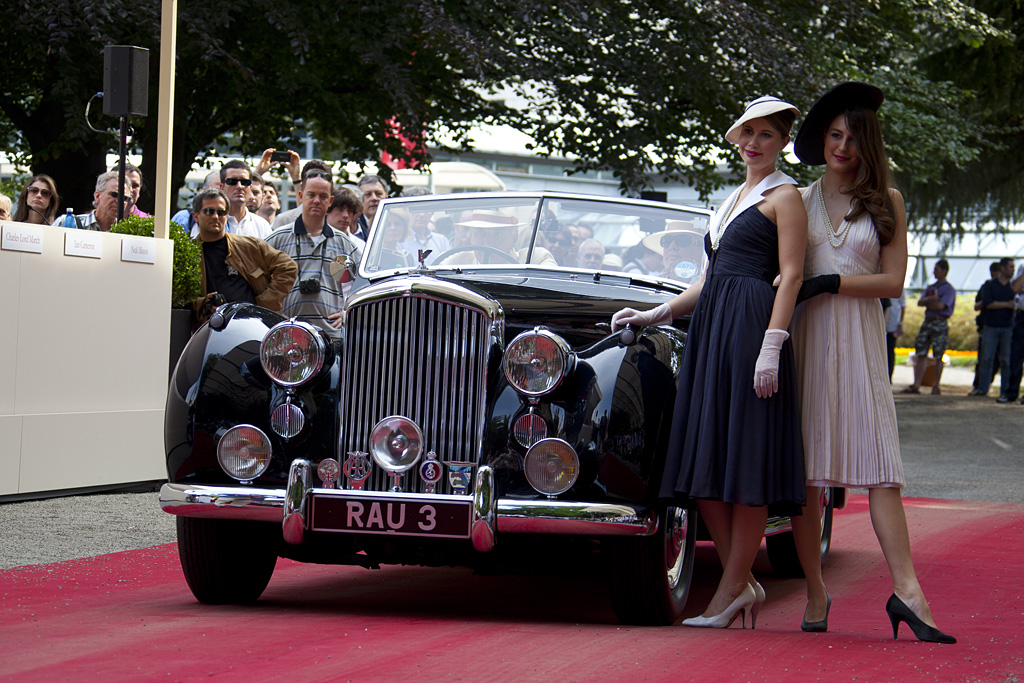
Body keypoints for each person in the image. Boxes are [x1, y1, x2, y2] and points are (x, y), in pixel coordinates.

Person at [612, 95, 807, 630]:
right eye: (747, 133)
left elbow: (791, 274)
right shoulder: (734, 197)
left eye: (765, 135)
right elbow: (707, 278)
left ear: (782, 141)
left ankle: (728, 592)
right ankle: (741, 582)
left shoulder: (785, 195)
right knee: (705, 462)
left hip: (749, 327)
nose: (752, 143)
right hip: (711, 328)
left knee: (743, 457)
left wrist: (773, 343)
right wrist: (657, 312)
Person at [789, 82, 955, 643]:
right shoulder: (797, 199)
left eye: (853, 138)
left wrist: (831, 280)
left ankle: (909, 592)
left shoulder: (889, 200)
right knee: (806, 479)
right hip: (805, 344)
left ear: (868, 145)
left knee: (883, 471)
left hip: (860, 344)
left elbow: (892, 281)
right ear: (822, 140)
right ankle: (815, 590)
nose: (842, 146)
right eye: (834, 135)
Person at [265, 166, 363, 336]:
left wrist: (348, 311)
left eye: (323, 196)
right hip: (286, 334)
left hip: (330, 336)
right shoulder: (277, 239)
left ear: (330, 201)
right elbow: (255, 277)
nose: (317, 200)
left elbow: (366, 284)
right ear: (301, 196)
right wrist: (271, 311)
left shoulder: (345, 243)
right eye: (311, 195)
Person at [190, 188, 297, 327]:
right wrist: (204, 304)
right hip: (209, 329)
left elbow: (288, 267)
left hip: (252, 326)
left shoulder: (249, 246)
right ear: (196, 216)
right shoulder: (189, 254)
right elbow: (179, 300)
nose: (216, 216)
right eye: (209, 211)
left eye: (221, 212)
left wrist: (263, 304)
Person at [903, 259, 956, 394]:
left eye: (937, 269)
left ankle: (936, 385)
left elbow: (940, 306)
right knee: (921, 352)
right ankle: (917, 384)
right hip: (928, 321)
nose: (934, 271)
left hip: (940, 322)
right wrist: (931, 301)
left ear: (944, 271)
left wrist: (929, 302)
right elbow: (921, 302)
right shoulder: (931, 287)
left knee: (939, 354)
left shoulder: (948, 289)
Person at [975, 257, 1015, 401]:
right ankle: (982, 388)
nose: (1013, 270)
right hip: (991, 326)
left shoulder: (1012, 286)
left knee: (1006, 360)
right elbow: (988, 304)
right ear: (1002, 268)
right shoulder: (990, 285)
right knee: (987, 358)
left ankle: (1005, 390)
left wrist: (1000, 304)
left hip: (1007, 326)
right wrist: (1007, 304)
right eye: (1010, 267)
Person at [52, 171, 132, 232]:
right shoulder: (67, 222)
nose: (119, 201)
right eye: (114, 194)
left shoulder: (127, 233)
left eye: (125, 198)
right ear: (97, 196)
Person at [970, 262, 1002, 394]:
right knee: (984, 358)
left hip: (1003, 325)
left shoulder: (1006, 286)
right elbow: (977, 305)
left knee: (999, 359)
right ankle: (979, 386)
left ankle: (987, 383)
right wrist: (987, 302)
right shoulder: (986, 286)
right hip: (986, 325)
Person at [220, 160, 271, 239]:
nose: (239, 186)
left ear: (250, 188)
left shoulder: (262, 225)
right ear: (221, 187)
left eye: (244, 182)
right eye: (232, 181)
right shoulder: (212, 221)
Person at [1007, 263, 1024, 403]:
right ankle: (1011, 393)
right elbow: (1015, 288)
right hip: (1021, 317)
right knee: (1016, 355)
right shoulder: (1022, 267)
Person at [355, 174, 389, 240]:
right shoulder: (354, 226)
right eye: (368, 194)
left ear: (386, 197)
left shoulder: (396, 224)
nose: (374, 198)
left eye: (378, 194)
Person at [885, 290, 906, 381]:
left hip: (892, 324)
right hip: (881, 322)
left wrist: (900, 324)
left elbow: (903, 306)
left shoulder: (899, 287)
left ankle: (889, 377)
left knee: (890, 351)